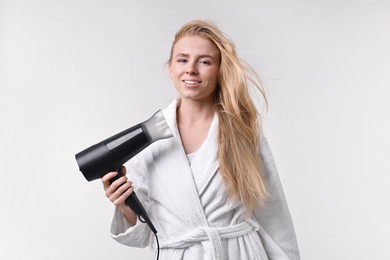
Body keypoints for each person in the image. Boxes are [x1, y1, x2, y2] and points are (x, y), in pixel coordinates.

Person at [101, 19, 300, 260]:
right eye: (182, 60)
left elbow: (273, 214)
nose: (191, 69)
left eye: (204, 61)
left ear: (219, 70)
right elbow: (142, 236)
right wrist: (124, 204)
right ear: (170, 68)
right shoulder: (144, 140)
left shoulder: (244, 131)